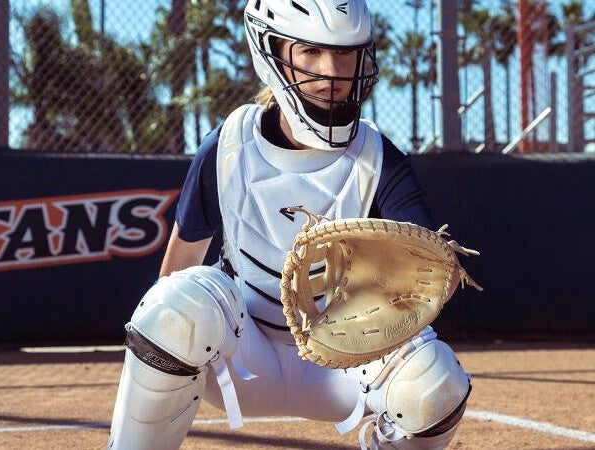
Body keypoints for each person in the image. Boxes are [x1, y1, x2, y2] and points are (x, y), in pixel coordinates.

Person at [107, 1, 471, 448]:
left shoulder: (379, 157)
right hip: (241, 360)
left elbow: (438, 270)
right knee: (177, 305)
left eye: (345, 53)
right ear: (270, 50)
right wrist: (172, 335)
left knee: (436, 380)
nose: (333, 71)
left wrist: (405, 284)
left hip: (342, 366)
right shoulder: (228, 146)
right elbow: (171, 278)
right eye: (311, 52)